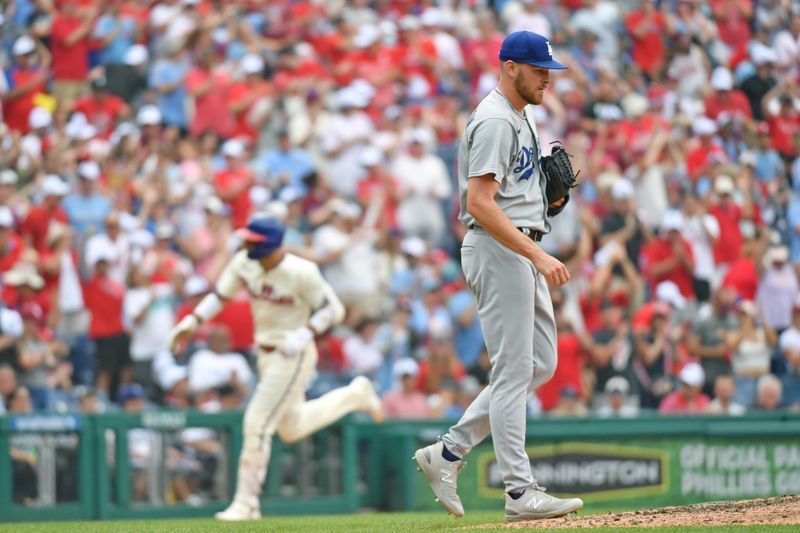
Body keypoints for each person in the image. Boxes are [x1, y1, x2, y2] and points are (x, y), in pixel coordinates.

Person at [413, 31, 583, 522]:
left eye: (549, 69)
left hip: (518, 245)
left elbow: (507, 193)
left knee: (540, 364)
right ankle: (518, 492)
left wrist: (544, 202)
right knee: (512, 371)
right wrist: (538, 254)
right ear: (510, 67)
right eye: (538, 69)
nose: (547, 78)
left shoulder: (520, 116)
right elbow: (478, 203)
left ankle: (447, 452)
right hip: (500, 250)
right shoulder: (492, 119)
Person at [167, 216, 384, 521]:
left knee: (257, 421)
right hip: (265, 352)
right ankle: (354, 395)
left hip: (292, 353)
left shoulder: (301, 271)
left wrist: (306, 333)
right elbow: (220, 296)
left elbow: (335, 309)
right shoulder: (245, 262)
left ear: (270, 244)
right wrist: (193, 321)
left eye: (253, 241)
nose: (245, 244)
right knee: (291, 426)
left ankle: (246, 503)